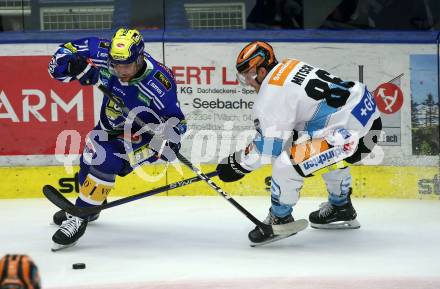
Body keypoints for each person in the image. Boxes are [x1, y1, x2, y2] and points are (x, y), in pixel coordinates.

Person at [216, 41, 382, 245]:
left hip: (351, 135)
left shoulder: (270, 94)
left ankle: (280, 218)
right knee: (324, 148)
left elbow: (268, 149)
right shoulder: (289, 65)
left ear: (261, 70)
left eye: (248, 75)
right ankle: (341, 206)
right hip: (368, 115)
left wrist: (236, 165)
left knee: (286, 164)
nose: (248, 82)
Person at [48, 28, 187, 251]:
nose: (120, 70)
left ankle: (80, 216)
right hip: (107, 128)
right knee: (88, 159)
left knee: (106, 161)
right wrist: (75, 65)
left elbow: (178, 123)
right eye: (116, 65)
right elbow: (58, 62)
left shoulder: (159, 83)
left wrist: (170, 138)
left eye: (127, 65)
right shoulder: (102, 53)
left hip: (140, 139)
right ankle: (89, 207)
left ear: (140, 58)